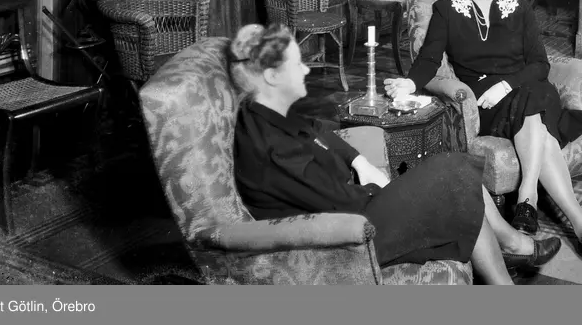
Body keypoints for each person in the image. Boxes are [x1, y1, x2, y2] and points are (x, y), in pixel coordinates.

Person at [230, 23, 561, 284]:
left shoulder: (267, 110)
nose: (306, 70)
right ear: (272, 77)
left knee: (453, 172)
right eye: (296, 64)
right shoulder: (274, 148)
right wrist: (380, 188)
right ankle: (511, 254)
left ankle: (510, 249)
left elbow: (320, 129)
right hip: (349, 233)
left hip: (354, 206)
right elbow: (335, 205)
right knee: (454, 172)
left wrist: (360, 162)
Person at [383, 0, 582, 268]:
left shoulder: (520, 10)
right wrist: (409, 82)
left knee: (535, 93)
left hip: (523, 89)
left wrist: (506, 85)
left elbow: (539, 65)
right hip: (485, 104)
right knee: (539, 121)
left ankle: (528, 195)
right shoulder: (446, 11)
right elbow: (428, 60)